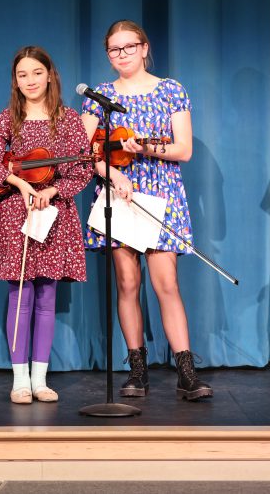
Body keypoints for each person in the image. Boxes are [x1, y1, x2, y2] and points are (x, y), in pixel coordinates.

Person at [80, 20, 212, 401]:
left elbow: (183, 149)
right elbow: (89, 152)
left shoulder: (171, 90)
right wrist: (112, 176)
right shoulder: (99, 95)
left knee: (166, 282)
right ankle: (137, 370)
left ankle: (186, 371)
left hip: (162, 192)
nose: (121, 55)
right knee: (127, 282)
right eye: (114, 50)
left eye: (128, 47)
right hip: (118, 195)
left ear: (144, 47)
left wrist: (146, 149)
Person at [0, 46, 93, 403]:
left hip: (55, 216)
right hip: (16, 214)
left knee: (47, 296)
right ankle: (19, 380)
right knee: (21, 294)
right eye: (22, 75)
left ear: (50, 74)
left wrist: (53, 189)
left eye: (36, 73)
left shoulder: (68, 119)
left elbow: (82, 168)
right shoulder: (9, 118)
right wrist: (21, 183)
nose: (30, 81)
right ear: (15, 80)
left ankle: (40, 379)